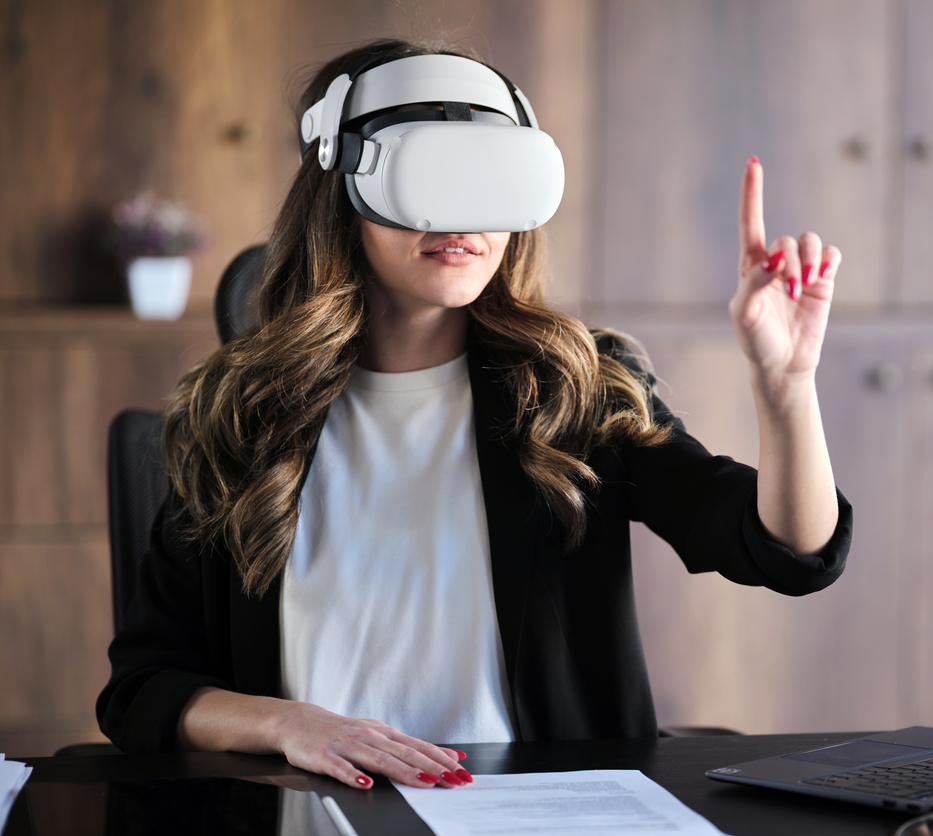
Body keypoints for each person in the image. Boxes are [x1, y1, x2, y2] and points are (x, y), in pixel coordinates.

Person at [97, 39, 852, 793]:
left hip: (535, 808)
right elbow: (143, 688)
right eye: (427, 178)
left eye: (488, 179)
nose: (462, 217)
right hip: (318, 807)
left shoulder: (576, 390)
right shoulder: (242, 415)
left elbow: (785, 552)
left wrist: (786, 385)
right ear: (342, 193)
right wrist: (284, 722)